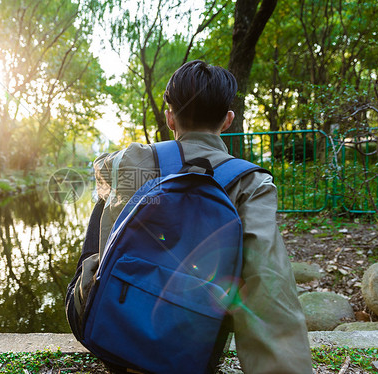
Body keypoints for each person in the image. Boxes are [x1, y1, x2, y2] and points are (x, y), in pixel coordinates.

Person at [66, 60, 313, 373]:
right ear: (227, 120)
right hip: (191, 345)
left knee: (105, 200)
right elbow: (267, 282)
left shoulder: (133, 159)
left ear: (170, 118)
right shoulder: (252, 183)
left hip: (111, 336)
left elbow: (100, 168)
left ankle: (111, 315)